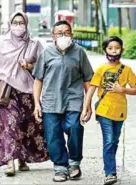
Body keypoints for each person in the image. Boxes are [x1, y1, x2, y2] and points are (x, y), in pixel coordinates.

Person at [0, 11, 49, 177]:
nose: (18, 26)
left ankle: (21, 159)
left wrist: (29, 66)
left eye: (21, 23)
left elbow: (44, 69)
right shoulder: (2, 45)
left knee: (25, 127)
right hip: (5, 92)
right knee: (9, 125)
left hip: (27, 92)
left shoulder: (34, 45)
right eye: (15, 22)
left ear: (26, 25)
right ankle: (9, 162)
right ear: (9, 24)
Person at [32, 20, 94, 182]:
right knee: (53, 135)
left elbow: (88, 79)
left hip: (73, 99)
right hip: (51, 101)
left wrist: (88, 105)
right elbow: (38, 79)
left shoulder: (79, 52)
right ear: (53, 36)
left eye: (67, 32)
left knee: (75, 127)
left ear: (72, 35)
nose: (63, 36)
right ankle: (60, 167)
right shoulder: (46, 53)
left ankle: (74, 163)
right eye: (59, 33)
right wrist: (37, 103)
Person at [81, 36, 136, 185]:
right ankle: (110, 173)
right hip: (104, 111)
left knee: (114, 141)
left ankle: (110, 167)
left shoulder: (126, 70)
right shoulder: (101, 69)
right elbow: (91, 88)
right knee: (108, 140)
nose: (114, 51)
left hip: (120, 112)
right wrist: (86, 108)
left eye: (117, 48)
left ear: (122, 50)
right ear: (105, 50)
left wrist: (122, 89)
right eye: (110, 48)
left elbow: (135, 90)